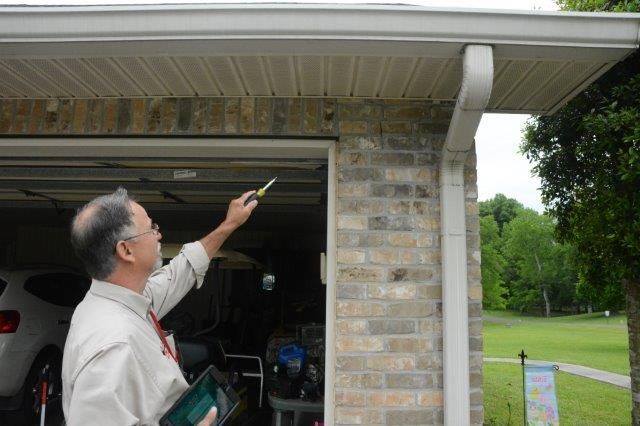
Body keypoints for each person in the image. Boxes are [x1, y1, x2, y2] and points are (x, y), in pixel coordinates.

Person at [61, 187, 257, 425]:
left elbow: (182, 271)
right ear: (125, 250)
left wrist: (230, 223)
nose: (159, 235)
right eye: (151, 228)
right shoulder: (113, 345)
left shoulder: (127, 299)